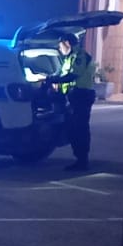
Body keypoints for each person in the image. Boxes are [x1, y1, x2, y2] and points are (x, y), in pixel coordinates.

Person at [48, 33, 96, 171]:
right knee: (73, 128)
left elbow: (72, 75)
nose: (59, 48)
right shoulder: (70, 57)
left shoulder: (80, 56)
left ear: (67, 43)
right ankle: (80, 158)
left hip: (81, 96)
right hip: (74, 96)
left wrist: (53, 80)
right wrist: (54, 79)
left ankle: (82, 160)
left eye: (60, 45)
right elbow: (64, 74)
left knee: (79, 128)